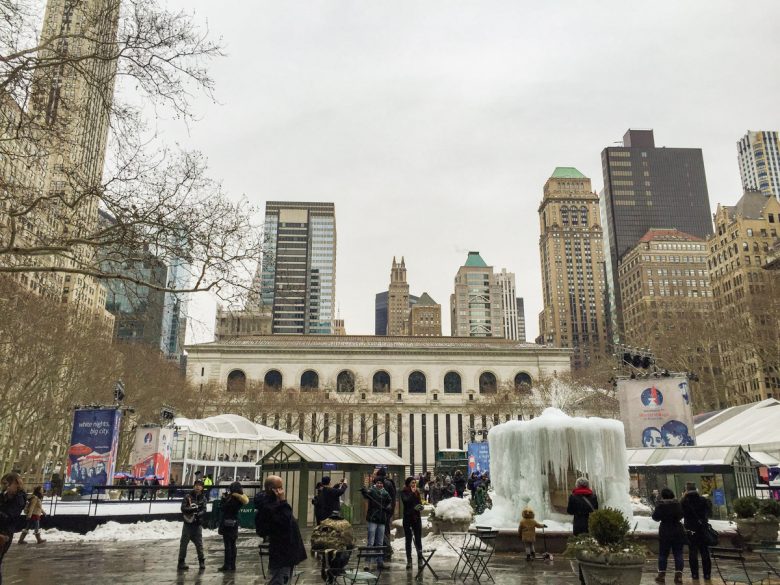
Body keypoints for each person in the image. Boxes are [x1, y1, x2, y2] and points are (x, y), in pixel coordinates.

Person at [255, 475, 307, 585]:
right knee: (280, 578)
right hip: (282, 550)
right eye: (279, 488)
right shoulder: (271, 506)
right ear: (271, 489)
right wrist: (283, 501)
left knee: (284, 577)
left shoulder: (273, 503)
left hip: (286, 550)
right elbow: (285, 520)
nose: (281, 491)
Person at [567, 477, 598, 585]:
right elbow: (596, 509)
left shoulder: (573, 496)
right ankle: (590, 572)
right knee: (590, 548)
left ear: (577, 485)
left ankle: (582, 576)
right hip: (590, 524)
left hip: (579, 525)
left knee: (580, 549)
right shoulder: (593, 496)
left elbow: (570, 511)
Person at [652, 488, 686, 584]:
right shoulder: (677, 504)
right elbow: (681, 515)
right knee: (678, 554)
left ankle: (661, 575)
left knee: (663, 554)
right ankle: (678, 576)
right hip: (677, 530)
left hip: (665, 531)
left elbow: (655, 517)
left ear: (662, 496)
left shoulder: (660, 505)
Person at [680, 482, 712, 582]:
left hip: (690, 529)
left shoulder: (684, 501)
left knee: (692, 551)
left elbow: (680, 514)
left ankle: (695, 574)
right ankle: (707, 574)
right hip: (702, 528)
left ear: (686, 491)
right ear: (696, 489)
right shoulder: (703, 500)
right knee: (704, 551)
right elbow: (709, 513)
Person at [0, 473, 26, 585]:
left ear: (15, 483)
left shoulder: (19, 498)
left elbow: (10, 516)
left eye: (7, 484)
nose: (5, 487)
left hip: (5, 533)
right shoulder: (4, 495)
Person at [360, 478, 392, 570]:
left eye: (381, 483)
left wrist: (388, 507)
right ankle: (367, 563)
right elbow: (366, 495)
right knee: (370, 541)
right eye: (378, 483)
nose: (379, 484)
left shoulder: (385, 493)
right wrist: (364, 492)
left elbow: (389, 502)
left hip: (382, 520)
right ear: (375, 484)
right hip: (372, 518)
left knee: (380, 542)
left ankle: (380, 562)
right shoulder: (372, 491)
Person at [218, 481, 248, 572]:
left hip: (228, 523)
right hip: (234, 523)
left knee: (228, 545)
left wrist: (223, 499)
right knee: (233, 545)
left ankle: (227, 565)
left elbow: (223, 508)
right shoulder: (239, 499)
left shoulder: (232, 499)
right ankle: (232, 564)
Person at [178, 479, 208, 571]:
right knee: (184, 543)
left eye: (199, 485)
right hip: (188, 523)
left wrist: (199, 514)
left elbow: (204, 509)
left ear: (202, 487)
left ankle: (201, 561)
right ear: (193, 486)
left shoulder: (203, 498)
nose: (197, 487)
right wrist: (192, 510)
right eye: (196, 485)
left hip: (197, 523)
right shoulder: (188, 497)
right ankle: (181, 562)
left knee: (199, 544)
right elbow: (183, 508)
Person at [400, 477, 424, 570]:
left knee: (418, 539)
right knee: (408, 540)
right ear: (408, 483)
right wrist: (412, 493)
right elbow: (406, 501)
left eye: (415, 482)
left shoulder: (417, 492)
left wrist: (420, 507)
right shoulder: (404, 492)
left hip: (416, 518)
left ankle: (420, 560)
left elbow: (419, 503)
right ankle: (409, 560)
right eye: (412, 483)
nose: (414, 484)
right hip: (407, 518)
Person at [373, 468, 395, 561]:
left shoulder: (379, 483)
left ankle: (385, 549)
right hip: (387, 510)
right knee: (385, 528)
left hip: (380, 510)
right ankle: (385, 549)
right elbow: (393, 498)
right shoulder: (390, 483)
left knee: (380, 529)